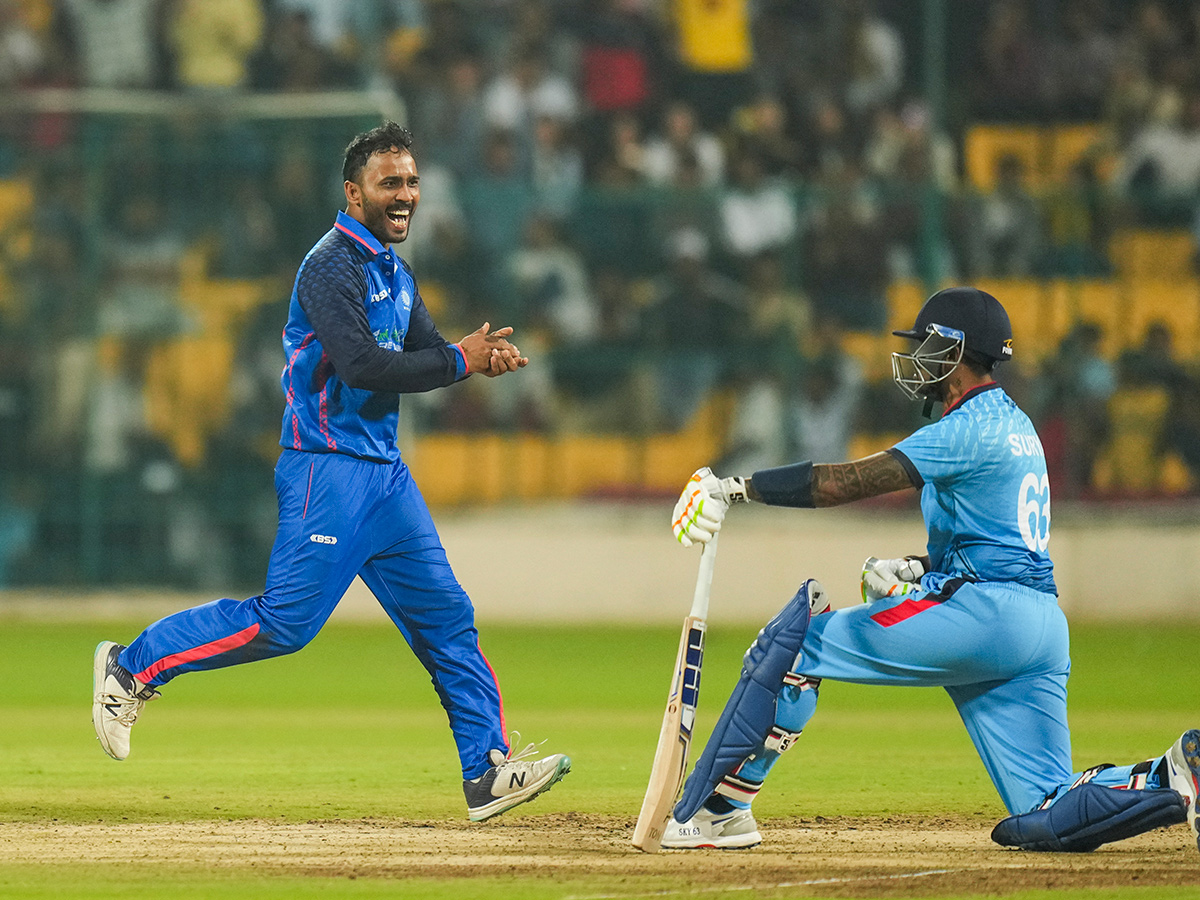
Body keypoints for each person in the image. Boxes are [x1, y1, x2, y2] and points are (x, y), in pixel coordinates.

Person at [92, 122, 571, 823]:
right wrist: (459, 360)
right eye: (390, 183)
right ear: (354, 193)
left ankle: (487, 773)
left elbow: (428, 352)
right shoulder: (329, 267)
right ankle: (130, 667)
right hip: (328, 471)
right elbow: (364, 367)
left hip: (383, 477)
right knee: (285, 625)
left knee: (447, 621)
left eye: (410, 181)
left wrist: (476, 357)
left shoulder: (394, 273)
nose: (405, 195)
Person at [665, 286, 1199, 853]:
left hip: (984, 616)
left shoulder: (967, 426)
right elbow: (996, 537)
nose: (917, 356)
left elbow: (846, 482)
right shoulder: (1016, 424)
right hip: (1038, 627)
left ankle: (722, 810)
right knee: (1047, 809)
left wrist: (737, 487)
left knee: (796, 647)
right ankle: (1173, 777)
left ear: (957, 350)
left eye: (927, 343)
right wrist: (917, 568)